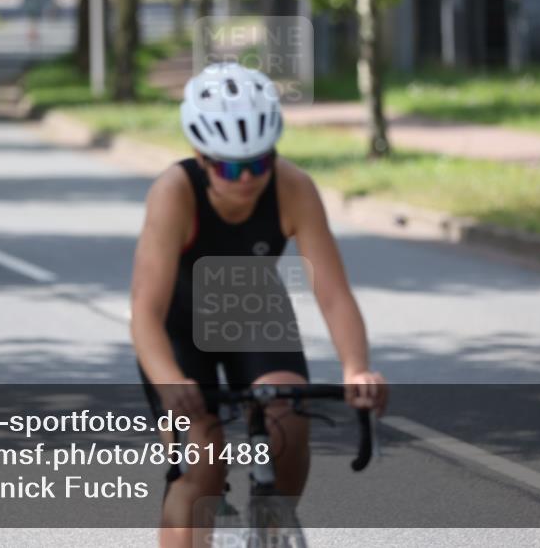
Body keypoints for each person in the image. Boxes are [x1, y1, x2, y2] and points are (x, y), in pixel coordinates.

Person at [130, 63, 388, 547]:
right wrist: (171, 384)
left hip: (251, 311)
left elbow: (332, 293)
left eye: (259, 163)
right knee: (203, 462)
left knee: (288, 413)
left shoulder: (293, 188)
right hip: (176, 331)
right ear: (201, 157)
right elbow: (144, 311)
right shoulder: (173, 193)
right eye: (230, 167)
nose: (246, 178)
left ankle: (272, 526)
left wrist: (357, 368)